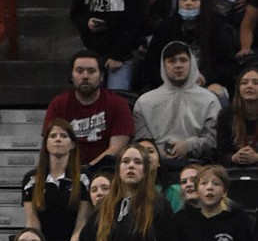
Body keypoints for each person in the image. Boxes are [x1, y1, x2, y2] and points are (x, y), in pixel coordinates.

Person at [133, 41, 222, 177]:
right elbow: (141, 141)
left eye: (183, 60)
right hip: (154, 168)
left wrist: (189, 145)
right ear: (163, 65)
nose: (178, 65)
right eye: (171, 61)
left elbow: (213, 141)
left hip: (198, 166)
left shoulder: (210, 100)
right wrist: (157, 152)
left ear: (192, 63)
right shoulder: (144, 102)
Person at [42, 52, 136, 171]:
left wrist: (88, 169)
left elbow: (116, 149)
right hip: (66, 170)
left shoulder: (118, 104)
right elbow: (52, 144)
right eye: (79, 71)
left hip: (106, 172)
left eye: (91, 71)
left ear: (101, 76)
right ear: (71, 76)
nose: (85, 76)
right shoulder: (58, 104)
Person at [22, 119, 91, 241]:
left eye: (63, 136)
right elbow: (32, 219)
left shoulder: (84, 178)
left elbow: (82, 220)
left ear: (72, 144)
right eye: (53, 136)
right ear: (46, 143)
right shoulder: (31, 179)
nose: (58, 139)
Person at [217, 62, 258, 163]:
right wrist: (233, 158)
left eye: (256, 83)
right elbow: (220, 155)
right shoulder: (226, 115)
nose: (250, 86)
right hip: (234, 170)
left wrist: (256, 157)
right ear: (238, 89)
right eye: (244, 83)